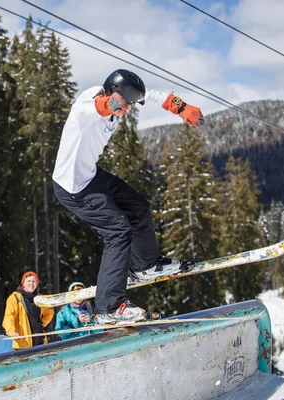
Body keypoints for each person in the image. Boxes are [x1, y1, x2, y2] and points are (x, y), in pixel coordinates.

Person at [52, 69, 203, 324]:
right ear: (112, 93)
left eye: (131, 104)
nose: (128, 110)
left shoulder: (124, 100)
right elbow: (97, 107)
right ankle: (109, 307)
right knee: (118, 232)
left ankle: (145, 266)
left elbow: (157, 96)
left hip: (90, 176)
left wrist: (182, 107)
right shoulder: (86, 106)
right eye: (125, 104)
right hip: (73, 187)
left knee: (138, 206)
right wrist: (111, 105)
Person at [2, 271, 54, 350]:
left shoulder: (39, 298)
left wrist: (43, 323)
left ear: (36, 284)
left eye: (34, 281)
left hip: (41, 343)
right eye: (28, 281)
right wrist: (11, 331)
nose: (31, 284)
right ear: (23, 283)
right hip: (23, 345)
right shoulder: (15, 298)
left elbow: (50, 311)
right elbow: (9, 316)